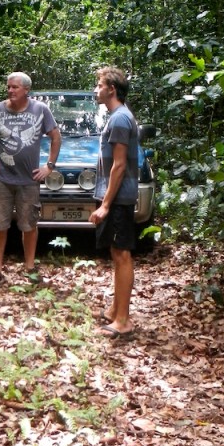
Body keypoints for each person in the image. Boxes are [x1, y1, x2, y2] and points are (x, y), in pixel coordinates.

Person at [0, 72, 61, 287]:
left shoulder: (40, 110)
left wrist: (49, 166)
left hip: (28, 180)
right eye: (8, 87)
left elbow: (55, 136)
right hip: (2, 179)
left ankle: (30, 268)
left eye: (15, 87)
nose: (10, 91)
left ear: (26, 90)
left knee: (29, 225)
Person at [89, 65, 140, 339]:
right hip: (115, 196)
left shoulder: (120, 119)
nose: (96, 89)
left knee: (122, 255)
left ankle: (123, 320)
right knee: (115, 252)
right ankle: (114, 309)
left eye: (99, 85)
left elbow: (119, 166)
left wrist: (106, 204)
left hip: (119, 197)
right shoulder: (117, 117)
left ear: (111, 88)